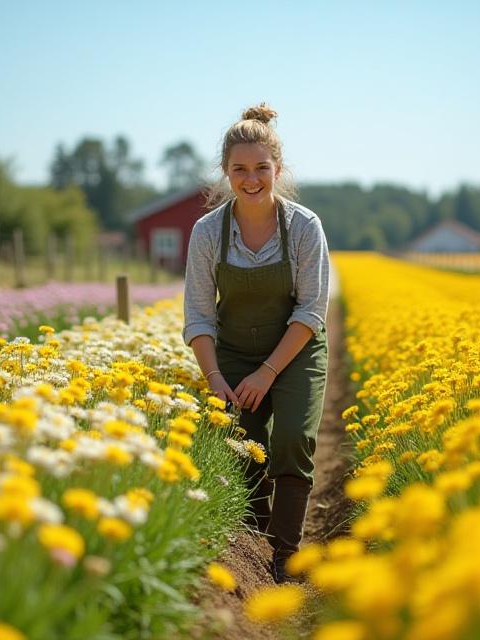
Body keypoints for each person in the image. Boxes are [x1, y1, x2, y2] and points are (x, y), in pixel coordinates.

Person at [183, 103, 330, 583]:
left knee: (292, 439)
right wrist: (215, 378)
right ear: (225, 172)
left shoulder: (304, 227)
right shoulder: (208, 232)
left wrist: (267, 373)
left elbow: (310, 312)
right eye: (240, 169)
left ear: (278, 170)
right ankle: (254, 541)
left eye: (261, 168)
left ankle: (285, 553)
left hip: (296, 350)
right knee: (239, 443)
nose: (251, 180)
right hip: (231, 353)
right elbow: (199, 316)